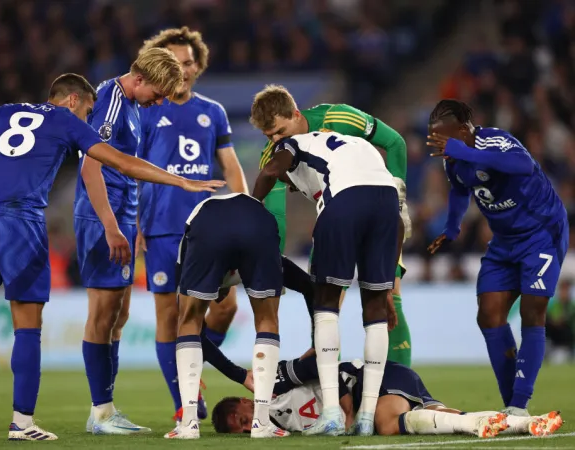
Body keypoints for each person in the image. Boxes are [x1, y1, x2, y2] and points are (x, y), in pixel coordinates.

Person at [0, 72, 224, 442]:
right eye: (88, 110)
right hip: (20, 221)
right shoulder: (67, 121)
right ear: (72, 100)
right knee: (28, 324)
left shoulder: (3, 112)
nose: (88, 119)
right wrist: (182, 181)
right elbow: (120, 162)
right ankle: (22, 423)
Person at [250, 85, 412, 367]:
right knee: (323, 297)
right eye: (269, 136)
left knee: (389, 291)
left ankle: (400, 385)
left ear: (296, 114)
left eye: (280, 131)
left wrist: (399, 202)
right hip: (337, 216)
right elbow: (277, 214)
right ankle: (328, 383)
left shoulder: (338, 118)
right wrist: (273, 264)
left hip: (378, 210)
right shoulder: (275, 155)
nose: (276, 140)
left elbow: (395, 143)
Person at [253, 131, 402, 436]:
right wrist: (387, 287)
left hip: (346, 202)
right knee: (374, 311)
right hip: (389, 203)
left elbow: (271, 169)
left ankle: (332, 413)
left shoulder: (291, 145)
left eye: (290, 185)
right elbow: (398, 219)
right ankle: (365, 418)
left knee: (326, 304)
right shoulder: (351, 145)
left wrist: (251, 207)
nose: (291, 189)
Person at [426, 99, 569, 417]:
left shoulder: (496, 140)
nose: (439, 145)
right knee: (488, 314)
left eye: (443, 137)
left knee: (533, 311)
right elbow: (461, 190)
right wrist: (452, 228)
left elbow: (523, 166)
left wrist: (463, 152)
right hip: (504, 242)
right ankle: (511, 407)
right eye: (434, 138)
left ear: (464, 130)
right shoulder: (454, 157)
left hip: (541, 233)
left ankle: (520, 403)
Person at [73, 47, 188, 435]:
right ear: (139, 79)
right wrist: (109, 224)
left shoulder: (134, 107)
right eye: (157, 93)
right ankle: (100, 412)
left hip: (121, 213)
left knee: (119, 314)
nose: (159, 102)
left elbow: (125, 168)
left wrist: (131, 220)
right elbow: (91, 163)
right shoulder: (111, 100)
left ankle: (106, 406)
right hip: (100, 215)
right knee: (104, 312)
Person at [137, 27, 248, 422]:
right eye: (172, 64)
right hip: (162, 226)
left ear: (197, 66)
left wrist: (246, 209)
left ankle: (193, 370)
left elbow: (230, 165)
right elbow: (132, 169)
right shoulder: (146, 108)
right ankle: (184, 402)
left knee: (224, 308)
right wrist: (133, 221)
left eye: (186, 63)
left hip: (206, 228)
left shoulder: (213, 112)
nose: (180, 71)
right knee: (169, 315)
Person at [164, 193, 288, 439]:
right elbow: (306, 286)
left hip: (209, 225)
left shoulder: (188, 250)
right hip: (259, 223)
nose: (217, 300)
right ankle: (262, 423)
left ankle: (188, 424)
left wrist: (239, 375)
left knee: (187, 321)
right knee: (268, 319)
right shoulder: (258, 225)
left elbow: (192, 330)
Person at [210, 355, 563, 438]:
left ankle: (474, 424)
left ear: (243, 403)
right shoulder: (277, 427)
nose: (246, 428)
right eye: (241, 430)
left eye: (241, 420)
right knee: (439, 414)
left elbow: (326, 361)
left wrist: (345, 410)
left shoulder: (274, 389)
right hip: (382, 384)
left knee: (385, 425)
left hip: (372, 377)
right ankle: (525, 423)